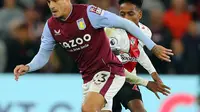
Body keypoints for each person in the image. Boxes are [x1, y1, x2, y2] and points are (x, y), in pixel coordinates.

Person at [13, 0, 173, 112]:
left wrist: (153, 46)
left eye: (55, 0)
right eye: (49, 2)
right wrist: (28, 67)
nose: (52, 6)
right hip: (88, 77)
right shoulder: (51, 26)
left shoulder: (89, 13)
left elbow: (125, 23)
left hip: (109, 70)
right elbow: (43, 55)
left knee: (88, 108)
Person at [102, 0, 171, 112]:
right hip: (107, 80)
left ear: (140, 14)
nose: (125, 18)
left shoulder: (145, 31)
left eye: (130, 14)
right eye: (122, 14)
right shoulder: (111, 32)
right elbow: (116, 69)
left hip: (129, 80)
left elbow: (138, 52)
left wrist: (153, 74)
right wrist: (147, 83)